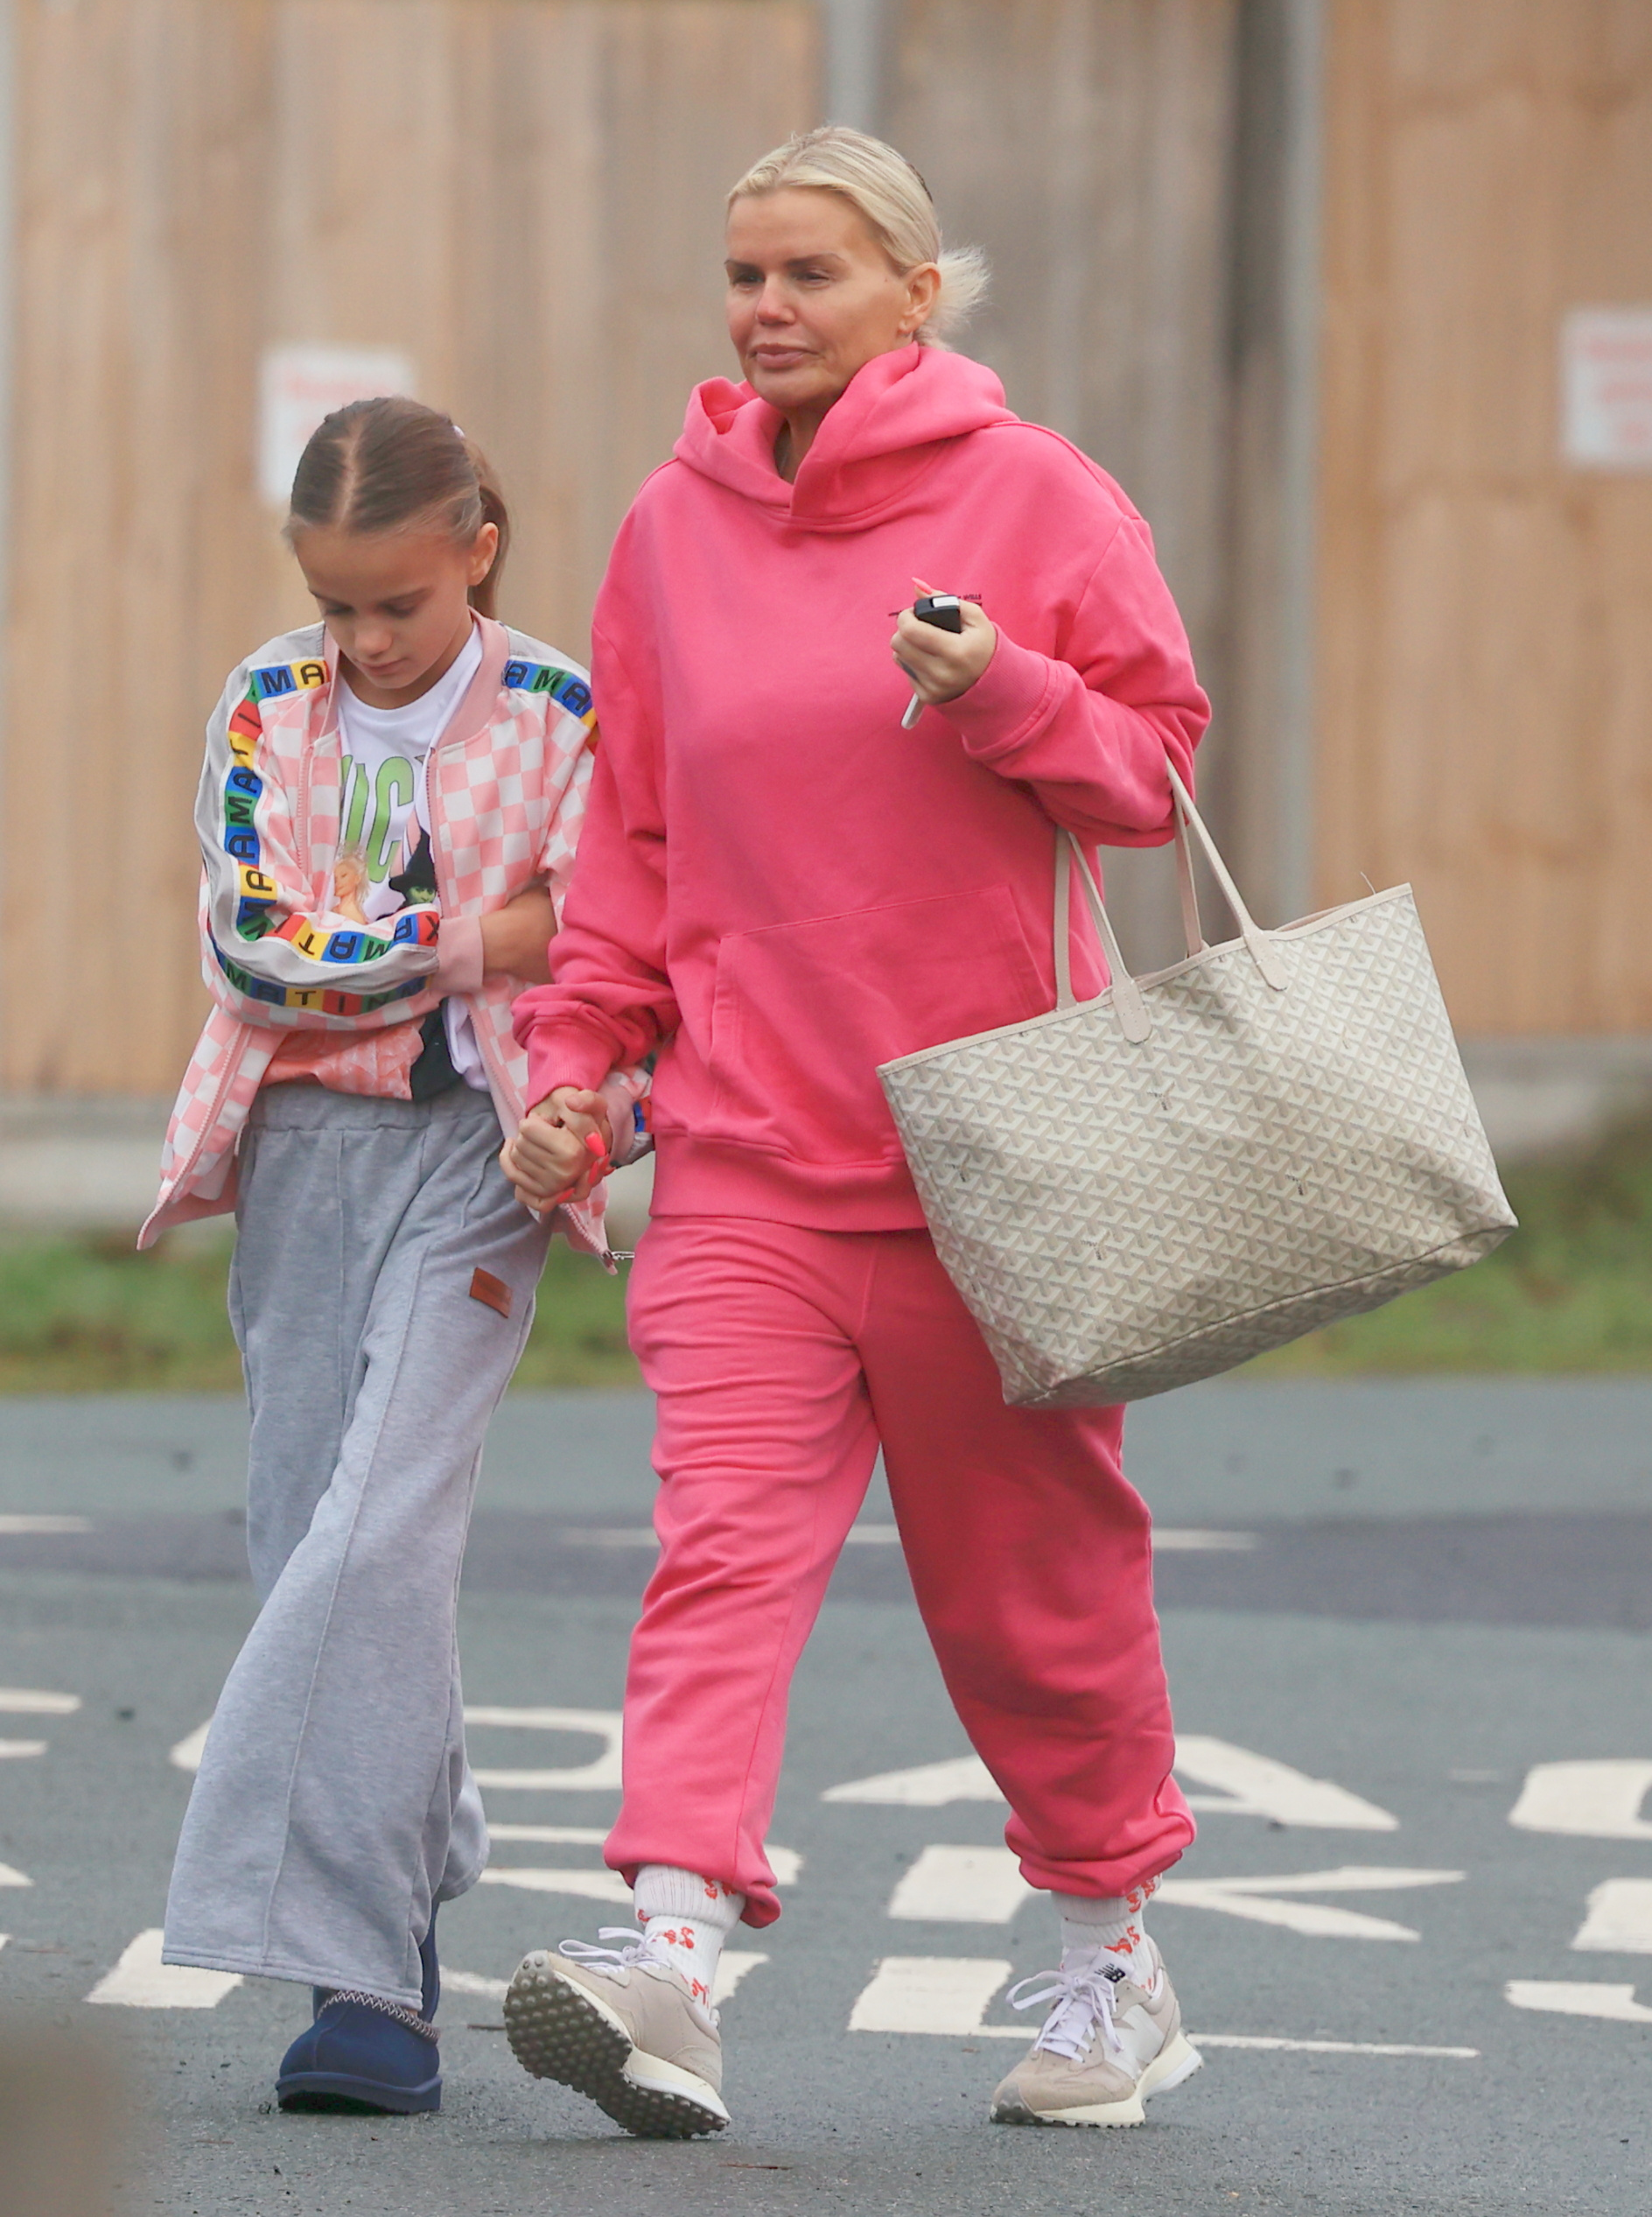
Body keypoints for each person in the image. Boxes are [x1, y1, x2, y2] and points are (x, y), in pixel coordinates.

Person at [501, 127, 1210, 2138]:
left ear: (915, 290)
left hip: (993, 1153)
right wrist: (578, 1067)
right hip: (741, 1152)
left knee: (1033, 1595)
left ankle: (1106, 1953)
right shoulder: (668, 530)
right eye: (743, 275)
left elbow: (1150, 772)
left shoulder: (1036, 496)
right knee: (718, 1552)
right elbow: (624, 842)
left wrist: (1005, 692)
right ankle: (662, 1946)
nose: (764, 309)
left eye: (807, 272)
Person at [149, 397, 648, 2115]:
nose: (360, 642)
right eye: (336, 604)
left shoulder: (569, 712)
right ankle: (413, 1840)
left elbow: (613, 949)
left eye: (397, 608)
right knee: (309, 1534)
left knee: (374, 1535)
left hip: (478, 1156)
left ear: (475, 550)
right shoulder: (261, 701)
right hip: (297, 1147)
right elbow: (255, 957)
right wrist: (475, 937)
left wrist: (575, 1085)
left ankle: (360, 1983)